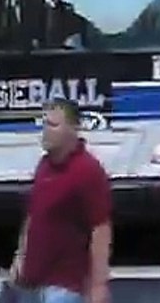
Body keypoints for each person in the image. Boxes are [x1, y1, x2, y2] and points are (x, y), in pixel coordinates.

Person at [12, 98, 113, 303]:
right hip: (33, 282)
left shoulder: (87, 170)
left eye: (54, 125)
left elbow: (100, 228)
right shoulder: (44, 165)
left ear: (73, 129)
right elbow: (33, 216)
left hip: (65, 285)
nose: (46, 131)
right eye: (45, 124)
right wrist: (20, 257)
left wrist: (98, 285)